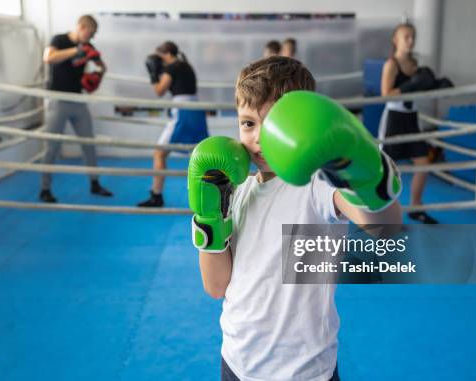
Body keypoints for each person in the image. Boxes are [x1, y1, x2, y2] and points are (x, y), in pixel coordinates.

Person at [188, 56, 403, 381]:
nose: (258, 138)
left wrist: (357, 166)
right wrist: (209, 214)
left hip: (303, 371)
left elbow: (383, 227)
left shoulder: (315, 184)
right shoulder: (238, 187)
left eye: (273, 124)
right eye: (248, 123)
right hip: (237, 360)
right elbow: (216, 286)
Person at [39, 14, 112, 203]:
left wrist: (96, 75)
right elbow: (49, 57)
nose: (92, 37)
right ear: (81, 26)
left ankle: (95, 184)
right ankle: (45, 189)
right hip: (58, 99)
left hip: (77, 100)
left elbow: (102, 66)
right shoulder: (60, 39)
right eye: (91, 32)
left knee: (89, 143)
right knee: (52, 146)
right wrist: (77, 50)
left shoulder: (89, 46)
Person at [379, 22, 438, 224]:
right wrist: (410, 86)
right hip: (394, 119)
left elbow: (422, 89)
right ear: (396, 40)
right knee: (387, 170)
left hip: (412, 117)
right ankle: (384, 215)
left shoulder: (415, 65)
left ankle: (415, 206)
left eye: (412, 36)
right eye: (406, 36)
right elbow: (384, 95)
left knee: (423, 163)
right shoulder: (391, 64)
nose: (410, 41)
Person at [137, 41, 209, 207]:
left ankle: (157, 195)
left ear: (168, 53)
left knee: (159, 153)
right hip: (195, 110)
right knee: (199, 154)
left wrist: (153, 74)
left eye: (160, 56)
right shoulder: (185, 65)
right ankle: (213, 194)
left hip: (183, 111)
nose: (158, 60)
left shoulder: (173, 67)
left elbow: (159, 91)